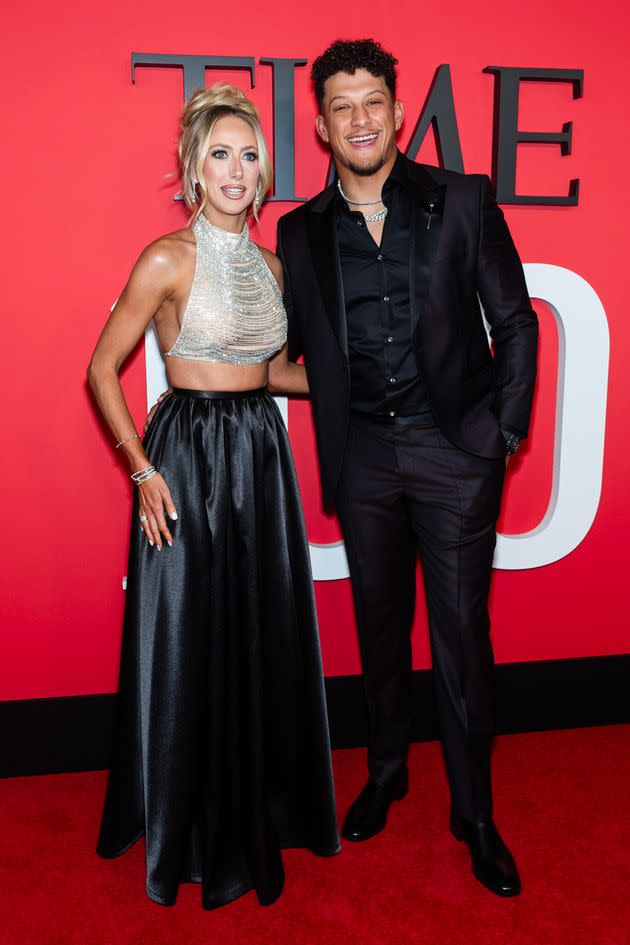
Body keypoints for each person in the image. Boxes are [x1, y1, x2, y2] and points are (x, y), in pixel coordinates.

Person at [275, 40, 538, 897]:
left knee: (462, 639)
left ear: (398, 113)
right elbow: (284, 347)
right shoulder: (298, 231)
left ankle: (475, 813)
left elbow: (517, 322)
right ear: (321, 124)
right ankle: (387, 771)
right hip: (363, 461)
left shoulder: (461, 200)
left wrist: (500, 433)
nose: (359, 118)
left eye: (373, 102)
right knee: (379, 627)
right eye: (342, 106)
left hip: (454, 454)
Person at [87, 83, 340, 911]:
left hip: (259, 453)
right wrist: (141, 469)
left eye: (249, 153)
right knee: (189, 632)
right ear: (195, 169)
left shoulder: (271, 267)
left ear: (266, 170)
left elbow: (267, 372)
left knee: (257, 630)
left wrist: (351, 385)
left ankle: (253, 806)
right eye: (220, 154)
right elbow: (100, 369)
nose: (237, 169)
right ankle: (183, 819)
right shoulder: (167, 257)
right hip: (186, 457)